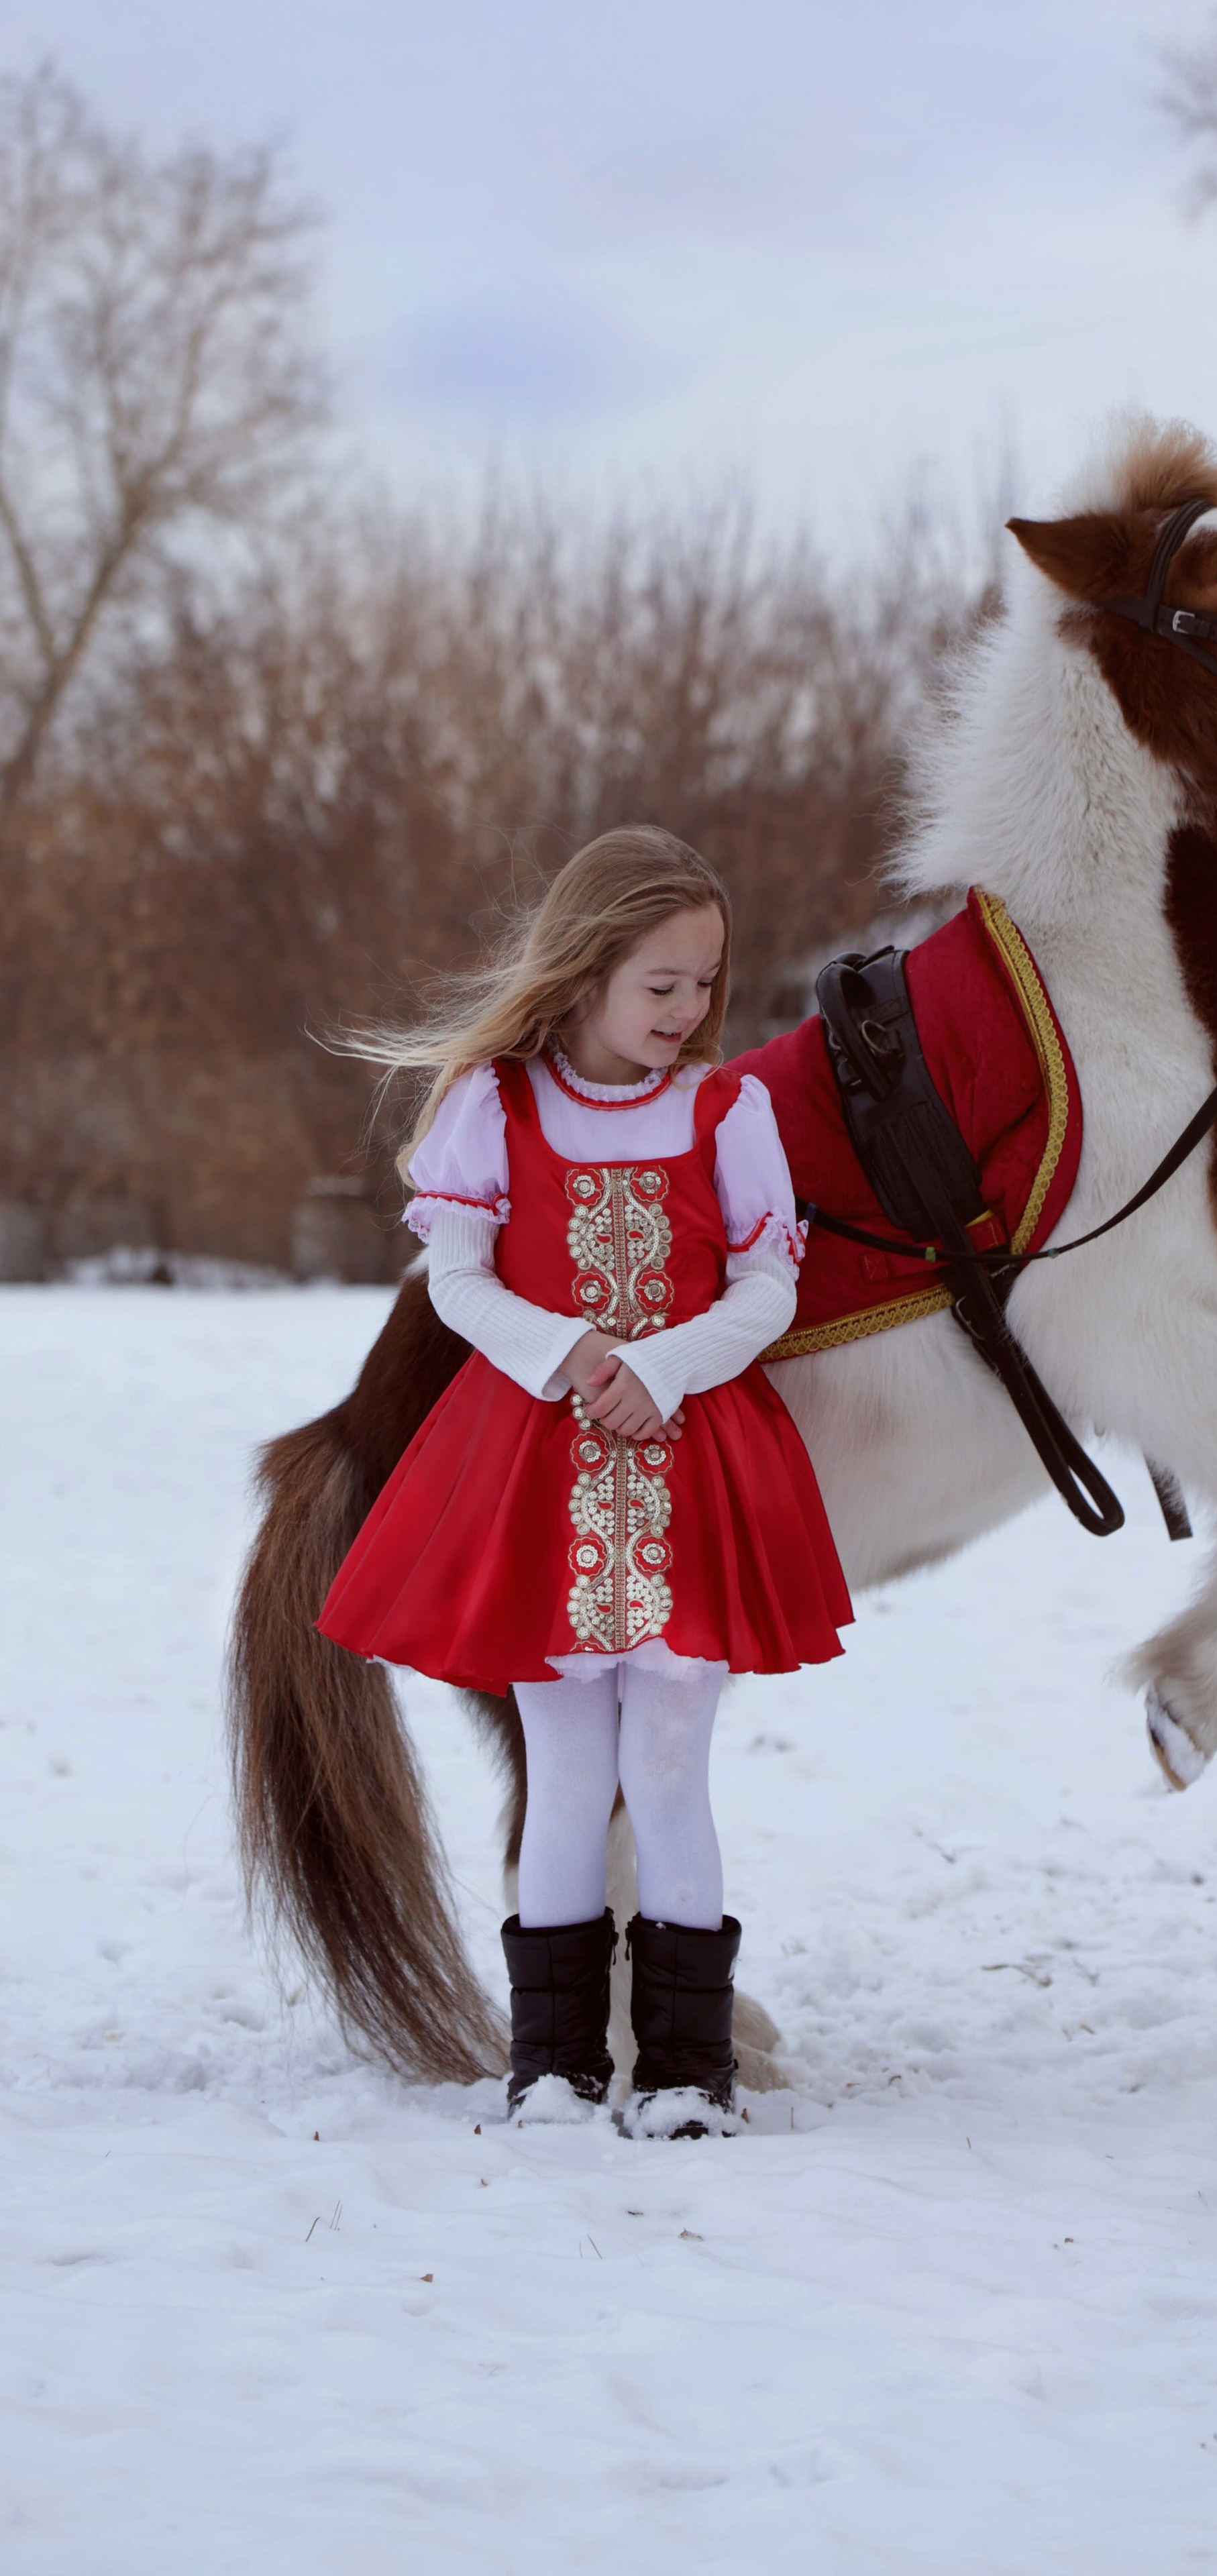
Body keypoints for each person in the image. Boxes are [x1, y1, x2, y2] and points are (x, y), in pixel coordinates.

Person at [317, 827, 851, 2134]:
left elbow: (766, 1288)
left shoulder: (729, 1113)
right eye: (657, 984)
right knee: (563, 1776)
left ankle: (684, 2068)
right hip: (539, 1468)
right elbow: (456, 1281)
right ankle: (551, 2065)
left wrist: (663, 1367)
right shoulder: (493, 1109)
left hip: (690, 1468)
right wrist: (563, 1351)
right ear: (582, 972)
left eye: (704, 984)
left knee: (669, 1768)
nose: (685, 1012)